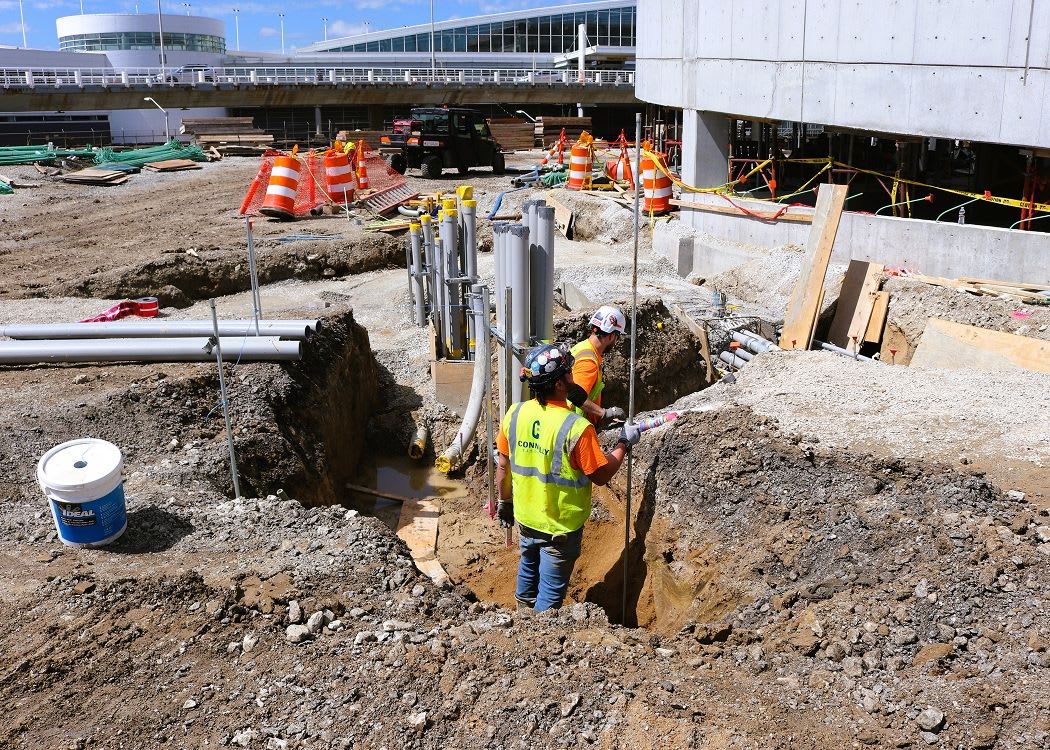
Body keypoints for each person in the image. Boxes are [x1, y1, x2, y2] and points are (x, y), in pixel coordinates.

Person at [495, 343, 642, 612]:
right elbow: (601, 474)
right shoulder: (576, 427)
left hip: (527, 518)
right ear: (561, 384)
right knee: (549, 598)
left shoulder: (515, 414)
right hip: (559, 527)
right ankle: (539, 634)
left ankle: (520, 619)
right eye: (569, 373)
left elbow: (503, 465)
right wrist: (623, 443)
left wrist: (505, 502)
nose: (573, 377)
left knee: (528, 567)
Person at [570, 305, 628, 427]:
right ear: (612, 336)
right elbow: (574, 396)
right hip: (574, 428)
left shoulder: (582, 347)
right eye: (617, 337)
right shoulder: (588, 361)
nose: (616, 342)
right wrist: (604, 413)